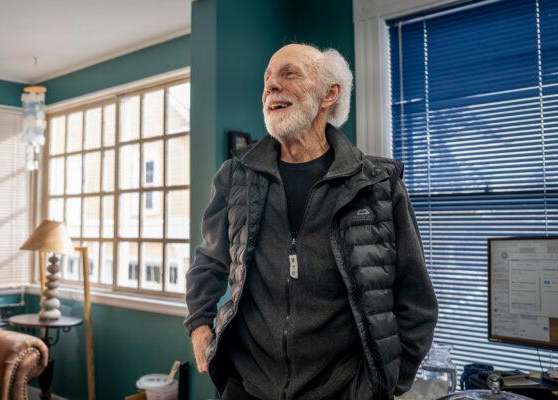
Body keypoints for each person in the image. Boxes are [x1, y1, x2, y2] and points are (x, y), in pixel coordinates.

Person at [184, 43, 438, 400]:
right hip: (247, 387)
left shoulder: (378, 184)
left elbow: (416, 300)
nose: (271, 86)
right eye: (267, 79)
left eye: (288, 74)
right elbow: (209, 259)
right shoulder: (235, 176)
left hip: (345, 391)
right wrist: (198, 323)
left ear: (328, 93)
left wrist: (386, 383)